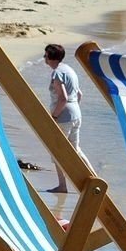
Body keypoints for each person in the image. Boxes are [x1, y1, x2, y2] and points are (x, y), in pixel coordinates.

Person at [43, 44, 83, 193]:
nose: (44, 58)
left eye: (45, 55)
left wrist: (54, 117)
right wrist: (73, 112)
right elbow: (79, 95)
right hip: (76, 113)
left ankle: (62, 185)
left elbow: (63, 98)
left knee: (57, 151)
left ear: (50, 57)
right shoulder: (69, 69)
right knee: (75, 150)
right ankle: (93, 176)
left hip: (64, 116)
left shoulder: (57, 73)